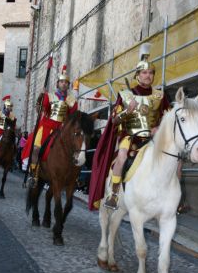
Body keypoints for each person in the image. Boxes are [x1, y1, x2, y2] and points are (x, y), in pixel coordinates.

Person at [88, 44, 170, 211]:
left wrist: (158, 127)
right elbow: (115, 121)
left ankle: (171, 196)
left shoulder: (160, 96)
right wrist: (128, 110)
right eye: (144, 73)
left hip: (152, 138)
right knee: (122, 156)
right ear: (138, 76)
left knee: (172, 158)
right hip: (130, 137)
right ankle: (114, 194)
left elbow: (168, 118)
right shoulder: (125, 95)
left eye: (151, 72)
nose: (148, 75)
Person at [22, 65, 78, 183]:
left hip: (62, 129)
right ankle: (34, 173)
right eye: (61, 82)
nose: (64, 84)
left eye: (66, 82)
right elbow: (40, 109)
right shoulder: (49, 96)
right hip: (47, 126)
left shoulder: (71, 100)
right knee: (36, 148)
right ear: (57, 84)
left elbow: (73, 117)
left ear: (68, 85)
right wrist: (41, 96)